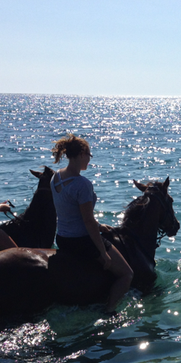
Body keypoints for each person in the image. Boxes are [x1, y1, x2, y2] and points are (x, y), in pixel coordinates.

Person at [50, 134, 133, 312]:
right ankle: (110, 311)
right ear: (81, 154)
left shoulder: (55, 178)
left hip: (62, 238)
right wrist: (103, 253)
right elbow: (87, 221)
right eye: (89, 155)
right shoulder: (82, 184)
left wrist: (99, 226)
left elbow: (70, 212)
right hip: (81, 240)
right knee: (127, 274)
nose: (89, 159)